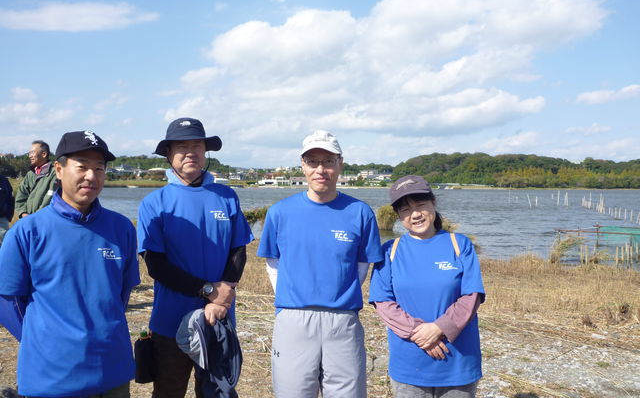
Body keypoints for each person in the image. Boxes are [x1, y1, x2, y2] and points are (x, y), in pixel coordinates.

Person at [0, 130, 140, 397]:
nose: (91, 176)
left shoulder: (121, 228)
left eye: (99, 168)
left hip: (112, 370)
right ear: (59, 170)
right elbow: (7, 302)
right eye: (82, 166)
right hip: (53, 376)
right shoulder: (28, 231)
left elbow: (122, 294)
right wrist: (43, 341)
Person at [257, 130, 383, 398]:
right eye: (312, 161)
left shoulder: (360, 212)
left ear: (340, 163)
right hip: (293, 317)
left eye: (328, 161)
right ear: (302, 165)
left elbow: (362, 265)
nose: (320, 169)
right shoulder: (280, 212)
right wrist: (292, 299)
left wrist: (337, 294)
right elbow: (273, 262)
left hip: (343, 320)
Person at [137, 117, 253, 398]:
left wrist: (223, 295)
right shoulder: (155, 203)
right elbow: (156, 265)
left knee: (217, 392)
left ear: (206, 152)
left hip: (219, 319)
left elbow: (238, 250)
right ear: (168, 154)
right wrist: (209, 291)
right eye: (182, 146)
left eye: (197, 145)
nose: (191, 152)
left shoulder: (226, 196)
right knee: (168, 391)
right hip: (170, 320)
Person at [369, 175, 485, 398]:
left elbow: (472, 296)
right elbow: (382, 302)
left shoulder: (459, 244)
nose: (415, 214)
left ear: (433, 202)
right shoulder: (389, 251)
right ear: (398, 216)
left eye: (420, 204)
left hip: (458, 361)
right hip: (409, 362)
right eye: (405, 209)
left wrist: (439, 328)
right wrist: (420, 333)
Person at [14, 140, 58, 218]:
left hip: (45, 220)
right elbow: (21, 196)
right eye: (29, 153)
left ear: (44, 154)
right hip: (28, 220)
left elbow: (50, 198)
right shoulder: (30, 174)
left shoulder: (54, 173)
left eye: (32, 152)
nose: (30, 156)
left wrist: (35, 218)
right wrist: (23, 213)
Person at [0, 174, 14, 244]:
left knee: (6, 244)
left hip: (2, 219)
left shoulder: (4, 181)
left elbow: (10, 199)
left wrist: (8, 216)